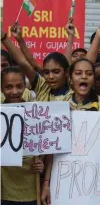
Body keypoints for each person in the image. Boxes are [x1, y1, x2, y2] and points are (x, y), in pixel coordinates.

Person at [1, 66, 45, 205]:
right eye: (8, 87)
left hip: (31, 188)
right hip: (3, 189)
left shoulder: (36, 114)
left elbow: (46, 145)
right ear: (1, 88)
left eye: (19, 86)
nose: (14, 91)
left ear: (25, 87)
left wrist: (41, 163)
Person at [2, 32, 71, 102]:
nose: (51, 76)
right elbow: (23, 63)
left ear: (67, 72)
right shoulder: (42, 87)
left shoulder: (75, 93)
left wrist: (70, 37)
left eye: (56, 72)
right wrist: (4, 38)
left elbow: (67, 62)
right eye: (46, 72)